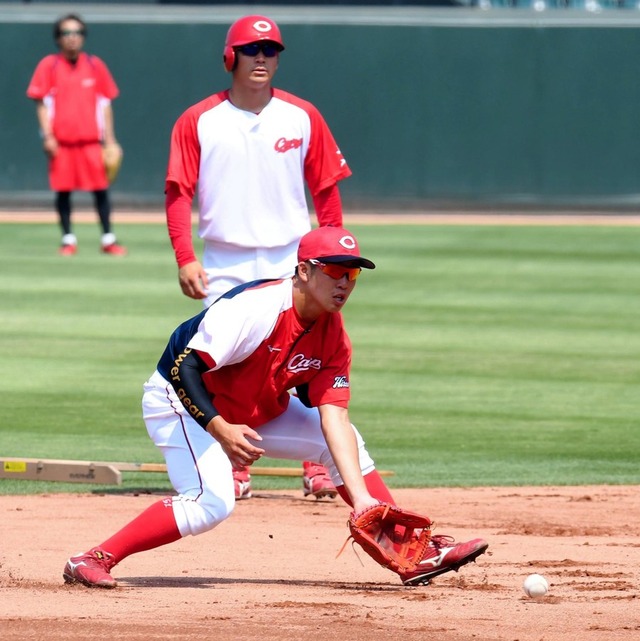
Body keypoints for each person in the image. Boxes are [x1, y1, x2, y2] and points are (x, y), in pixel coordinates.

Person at [62, 226, 488, 589]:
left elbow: (333, 416)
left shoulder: (333, 334)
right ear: (303, 271)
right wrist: (219, 428)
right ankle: (93, 558)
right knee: (212, 503)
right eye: (336, 272)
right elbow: (183, 367)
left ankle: (414, 555)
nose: (345, 283)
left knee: (344, 443)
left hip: (254, 410)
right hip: (180, 404)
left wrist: (362, 501)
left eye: (353, 275)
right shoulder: (255, 309)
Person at [165, 15, 348, 499]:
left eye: (271, 50)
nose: (262, 58)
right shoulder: (199, 119)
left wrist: (332, 256)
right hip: (225, 260)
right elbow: (178, 193)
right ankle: (238, 460)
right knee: (228, 365)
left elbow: (326, 192)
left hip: (295, 257)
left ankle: (317, 460)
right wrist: (185, 256)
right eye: (251, 49)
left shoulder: (302, 115)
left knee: (304, 360)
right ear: (230, 57)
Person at [26, 13, 126, 257]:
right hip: (62, 142)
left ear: (83, 37)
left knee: (101, 190)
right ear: (58, 38)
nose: (72, 38)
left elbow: (105, 103)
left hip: (91, 141)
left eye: (77, 33)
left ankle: (108, 238)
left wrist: (110, 140)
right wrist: (47, 136)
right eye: (66, 33)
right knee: (63, 191)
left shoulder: (94, 65)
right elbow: (41, 103)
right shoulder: (49, 66)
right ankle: (68, 239)